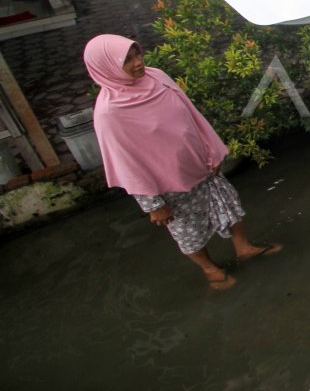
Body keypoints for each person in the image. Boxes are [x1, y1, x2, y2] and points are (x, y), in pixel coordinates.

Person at [83, 34, 280, 291]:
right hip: (168, 185)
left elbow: (189, 113)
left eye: (137, 54)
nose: (138, 63)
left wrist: (211, 149)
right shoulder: (110, 113)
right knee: (187, 229)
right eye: (127, 61)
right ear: (106, 67)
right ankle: (210, 269)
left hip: (200, 164)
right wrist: (153, 204)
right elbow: (126, 163)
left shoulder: (156, 77)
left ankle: (244, 247)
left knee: (229, 203)